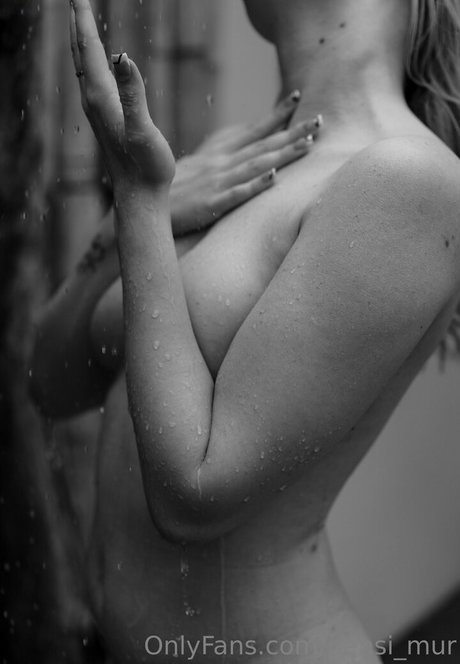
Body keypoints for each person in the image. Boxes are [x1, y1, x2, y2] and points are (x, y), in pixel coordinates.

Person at [31, 0, 460, 662]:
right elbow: (50, 383)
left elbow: (193, 499)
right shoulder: (238, 155)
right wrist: (125, 222)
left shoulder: (406, 178)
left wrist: (140, 199)